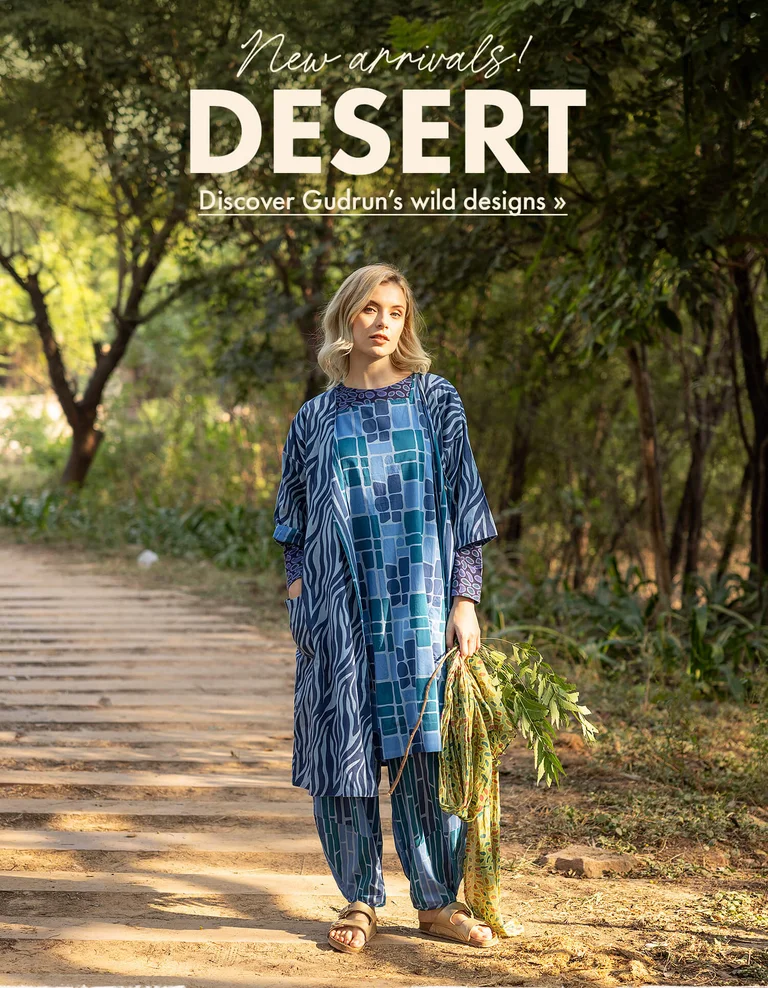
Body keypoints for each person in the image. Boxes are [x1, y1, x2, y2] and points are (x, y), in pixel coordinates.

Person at [272, 262, 499, 953]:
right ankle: (360, 898)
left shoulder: (436, 401)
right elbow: (293, 519)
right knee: (344, 758)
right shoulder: (316, 417)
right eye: (369, 309)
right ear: (345, 318)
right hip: (338, 612)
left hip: (418, 608)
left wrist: (465, 600)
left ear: (407, 324)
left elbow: (466, 507)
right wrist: (299, 592)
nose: (381, 322)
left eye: (394, 312)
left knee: (426, 756)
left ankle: (436, 903)